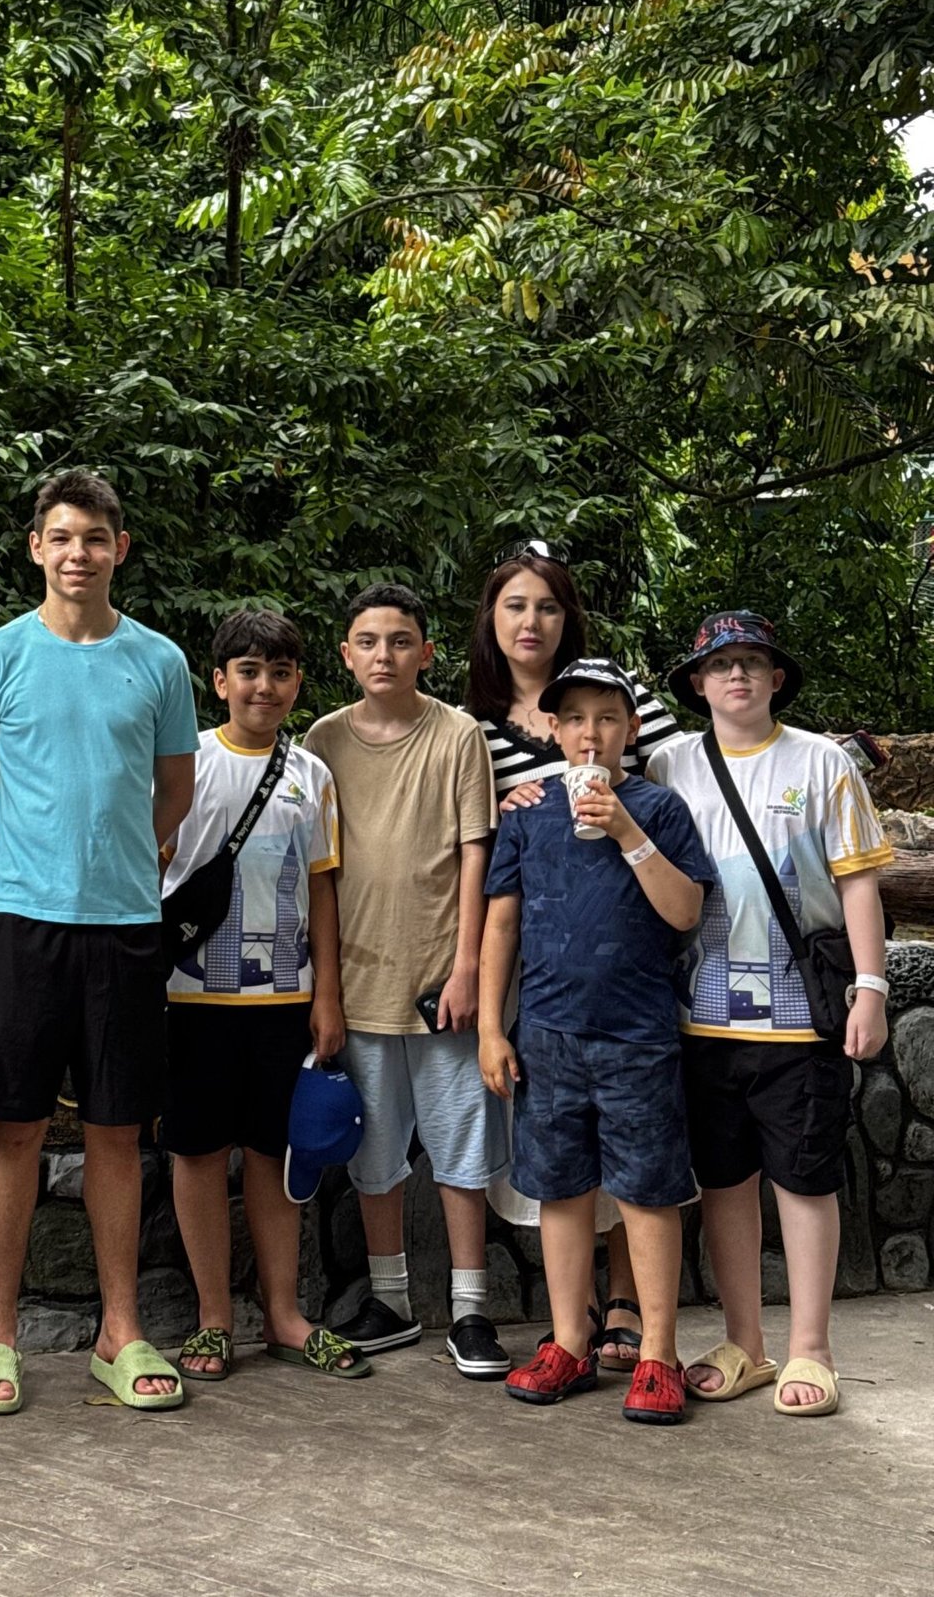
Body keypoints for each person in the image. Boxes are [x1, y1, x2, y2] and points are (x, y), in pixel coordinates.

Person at [0, 469, 198, 1413]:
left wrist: (117, 861)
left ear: (119, 548)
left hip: (126, 924)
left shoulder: (159, 660)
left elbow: (175, 789)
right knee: (14, 1126)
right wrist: (14, 868)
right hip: (23, 924)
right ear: (36, 548)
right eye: (61, 536)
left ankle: (119, 1330)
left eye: (94, 537)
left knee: (117, 1131)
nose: (77, 553)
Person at [647, 612, 894, 1416]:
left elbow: (858, 880)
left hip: (800, 1020)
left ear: (776, 677)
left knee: (805, 1178)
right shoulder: (670, 762)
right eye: (721, 664)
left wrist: (871, 986)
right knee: (725, 1182)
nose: (738, 675)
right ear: (696, 682)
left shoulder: (822, 762)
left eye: (753, 661)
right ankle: (745, 1342)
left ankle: (812, 1347)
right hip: (701, 1019)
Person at [479, 658, 714, 1424]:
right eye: (575, 717)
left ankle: (658, 1353)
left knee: (647, 1191)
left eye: (607, 717)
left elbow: (685, 911)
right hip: (547, 1034)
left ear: (632, 727)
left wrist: (625, 830)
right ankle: (570, 1341)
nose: (591, 733)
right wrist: (490, 1026)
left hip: (637, 1036)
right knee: (560, 1188)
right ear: (553, 727)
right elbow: (502, 923)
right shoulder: (528, 810)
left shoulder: (659, 808)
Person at [464, 539, 679, 1371]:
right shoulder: (476, 721)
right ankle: (571, 1324)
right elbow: (482, 855)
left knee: (637, 1152)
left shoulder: (622, 697)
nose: (532, 620)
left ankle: (635, 1314)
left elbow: (674, 788)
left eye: (548, 605)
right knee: (562, 1153)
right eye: (516, 604)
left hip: (631, 955)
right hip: (544, 965)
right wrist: (511, 797)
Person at [305, 583, 511, 1379]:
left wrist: (467, 966)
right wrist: (326, 989)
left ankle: (471, 1308)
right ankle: (389, 1299)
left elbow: (475, 852)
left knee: (462, 1146)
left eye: (400, 641)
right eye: (368, 641)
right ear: (346, 654)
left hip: (440, 983)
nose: (383, 655)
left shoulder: (457, 735)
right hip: (358, 981)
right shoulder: (323, 740)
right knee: (376, 1150)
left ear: (426, 652)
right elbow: (319, 872)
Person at [161, 610, 367, 1383]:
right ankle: (214, 1317)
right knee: (196, 1151)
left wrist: (327, 995)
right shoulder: (184, 764)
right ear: (219, 681)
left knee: (276, 1155)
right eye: (248, 670)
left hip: (285, 1000)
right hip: (191, 998)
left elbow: (323, 888)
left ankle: (284, 1313)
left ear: (298, 683)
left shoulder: (311, 774)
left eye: (280, 672)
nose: (264, 686)